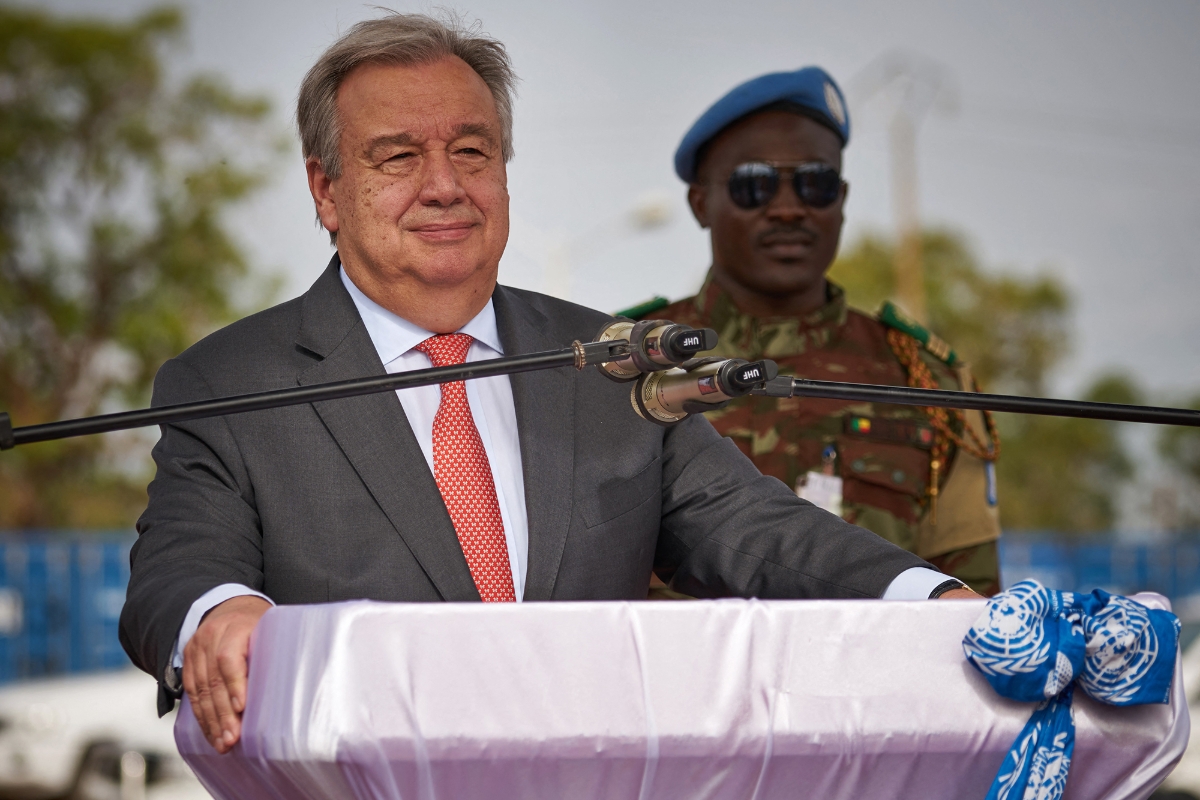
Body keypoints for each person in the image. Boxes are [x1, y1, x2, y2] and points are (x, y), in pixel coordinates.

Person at [118, 13, 978, 757]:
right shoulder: (231, 383)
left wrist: (932, 600)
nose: (445, 185)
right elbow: (177, 571)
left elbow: (754, 527)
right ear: (327, 190)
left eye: (471, 151)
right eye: (397, 157)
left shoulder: (608, 361)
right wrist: (219, 614)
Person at [622, 68, 1002, 596]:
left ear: (841, 199)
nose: (788, 208)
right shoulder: (629, 366)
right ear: (701, 203)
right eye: (753, 184)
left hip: (873, 674)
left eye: (815, 183)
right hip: (675, 674)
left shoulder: (925, 380)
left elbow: (972, 595)